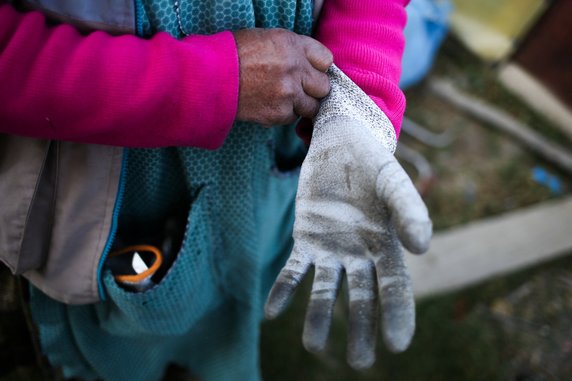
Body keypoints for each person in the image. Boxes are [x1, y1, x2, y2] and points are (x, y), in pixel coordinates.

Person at [0, 0, 424, 380]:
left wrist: (357, 96)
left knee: (247, 283)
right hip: (107, 181)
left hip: (270, 147)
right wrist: (210, 81)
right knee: (127, 337)